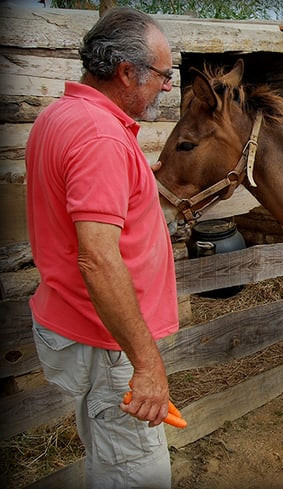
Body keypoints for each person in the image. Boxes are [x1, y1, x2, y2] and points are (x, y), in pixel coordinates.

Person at [25, 7, 177, 488]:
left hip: (80, 327)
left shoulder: (61, 114)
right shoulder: (100, 136)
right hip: (108, 343)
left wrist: (131, 178)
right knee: (136, 472)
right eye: (162, 75)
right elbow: (97, 256)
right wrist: (147, 365)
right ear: (126, 72)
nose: (167, 86)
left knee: (109, 458)